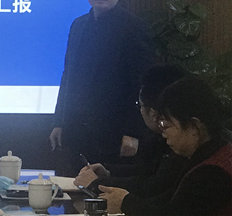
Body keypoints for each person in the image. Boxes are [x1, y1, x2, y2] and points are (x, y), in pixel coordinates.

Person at [49, 0, 154, 176]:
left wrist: (133, 131)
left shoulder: (133, 27)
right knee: (76, 188)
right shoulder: (78, 25)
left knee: (106, 190)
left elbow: (142, 83)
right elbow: (68, 76)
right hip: (77, 132)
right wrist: (59, 121)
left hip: (115, 135)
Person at [98, 76, 232, 215]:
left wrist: (125, 203)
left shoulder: (211, 173)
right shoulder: (217, 151)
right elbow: (167, 200)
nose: (164, 134)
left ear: (194, 127)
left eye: (166, 125)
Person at [74, 64, 190, 197]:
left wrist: (98, 183)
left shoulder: (180, 146)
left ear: (153, 112)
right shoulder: (158, 139)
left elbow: (153, 187)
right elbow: (145, 170)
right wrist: (108, 173)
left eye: (139, 105)